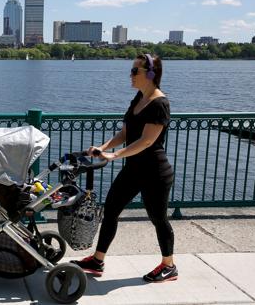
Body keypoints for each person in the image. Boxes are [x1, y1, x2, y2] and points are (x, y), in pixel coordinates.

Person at [70, 53, 177, 283]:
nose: (130, 75)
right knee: (110, 210)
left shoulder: (160, 103)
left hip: (155, 173)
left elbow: (147, 140)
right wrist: (103, 147)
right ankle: (98, 260)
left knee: (158, 218)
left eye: (134, 71)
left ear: (150, 74)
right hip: (134, 170)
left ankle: (169, 265)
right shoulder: (138, 98)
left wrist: (115, 155)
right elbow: (127, 133)